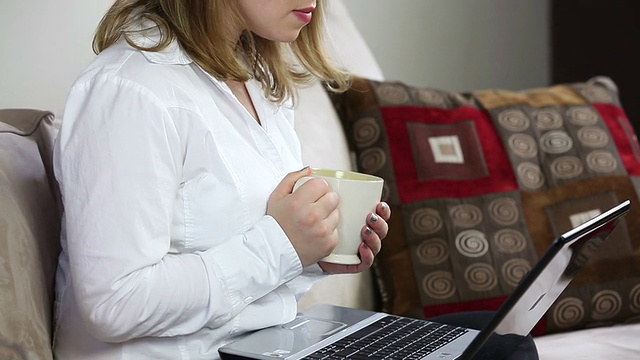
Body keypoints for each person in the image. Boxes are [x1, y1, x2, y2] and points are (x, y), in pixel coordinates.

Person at [52, 1, 390, 359]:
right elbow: (114, 303)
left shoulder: (256, 79)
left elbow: (244, 247)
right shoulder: (131, 89)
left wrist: (314, 250)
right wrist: (280, 244)